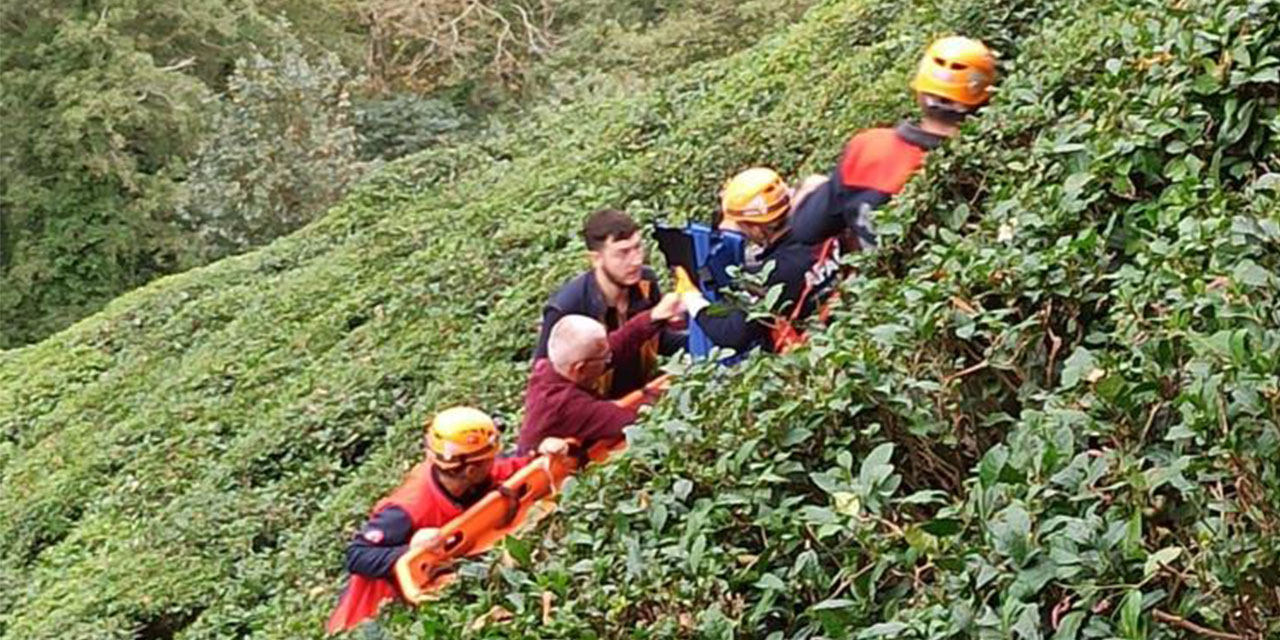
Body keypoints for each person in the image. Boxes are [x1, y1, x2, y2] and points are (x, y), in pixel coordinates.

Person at [327, 407, 568, 633]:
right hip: (375, 616)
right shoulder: (408, 509)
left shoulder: (475, 476)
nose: (494, 463)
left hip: (434, 593)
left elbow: (514, 467)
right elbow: (357, 555)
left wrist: (543, 451)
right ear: (471, 470)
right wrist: (409, 550)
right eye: (489, 459)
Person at [792, 36, 997, 249]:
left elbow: (806, 230)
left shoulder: (867, 148)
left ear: (920, 89)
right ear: (985, 98)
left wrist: (812, 190)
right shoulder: (988, 164)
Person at [682, 167, 842, 353]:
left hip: (816, 352)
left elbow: (732, 334)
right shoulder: (827, 230)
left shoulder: (774, 272)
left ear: (757, 229)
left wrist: (691, 297)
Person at [534, 209, 686, 399]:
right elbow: (545, 385)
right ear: (596, 259)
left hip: (641, 403)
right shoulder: (567, 308)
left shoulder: (645, 283)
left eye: (638, 247)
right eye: (622, 253)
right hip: (592, 414)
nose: (636, 260)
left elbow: (658, 340)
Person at [519, 293, 682, 455]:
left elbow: (618, 344)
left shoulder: (551, 366)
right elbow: (632, 422)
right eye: (605, 358)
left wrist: (655, 316)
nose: (608, 359)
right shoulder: (566, 405)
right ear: (580, 368)